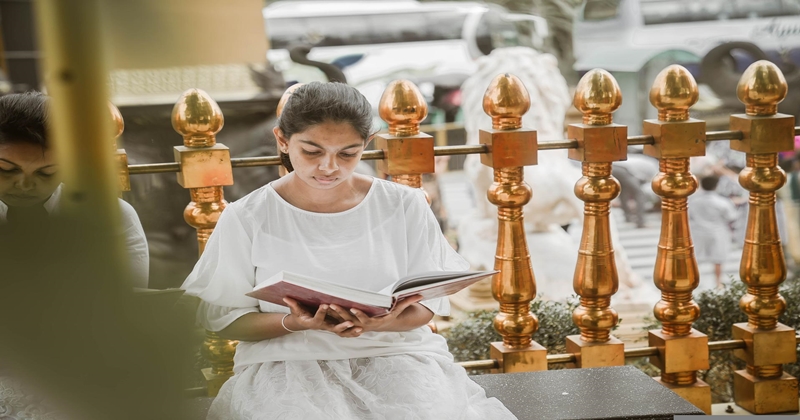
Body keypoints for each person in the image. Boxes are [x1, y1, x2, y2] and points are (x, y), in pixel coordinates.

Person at [181, 82, 516, 420]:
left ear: (366, 145)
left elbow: (426, 308)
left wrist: (379, 324)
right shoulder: (247, 216)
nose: (329, 167)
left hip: (396, 358)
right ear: (282, 139)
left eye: (347, 153)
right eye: (312, 151)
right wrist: (295, 322)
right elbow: (226, 321)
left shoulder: (403, 204)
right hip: (287, 363)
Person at [0, 92, 149, 288]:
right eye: (6, 169)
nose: (25, 185)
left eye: (46, 172)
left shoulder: (112, 217)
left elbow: (126, 304)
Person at [689, 174, 738, 288]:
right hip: (718, 231)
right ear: (716, 186)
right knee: (718, 258)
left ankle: (693, 280)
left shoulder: (693, 200)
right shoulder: (722, 201)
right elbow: (731, 217)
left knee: (695, 257)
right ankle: (718, 282)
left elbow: (689, 214)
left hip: (698, 231)